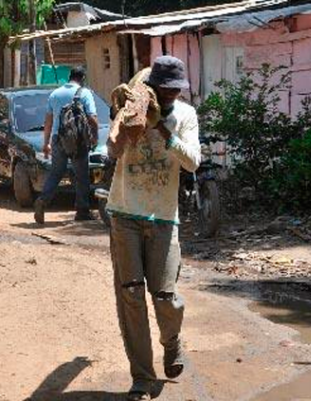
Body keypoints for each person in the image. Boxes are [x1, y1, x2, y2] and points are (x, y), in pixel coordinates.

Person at [105, 56, 202, 401]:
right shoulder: (133, 108)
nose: (172, 95)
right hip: (124, 213)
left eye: (177, 90)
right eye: (166, 90)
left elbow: (193, 162)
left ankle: (171, 342)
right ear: (154, 88)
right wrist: (127, 120)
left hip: (163, 217)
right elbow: (112, 150)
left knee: (165, 296)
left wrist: (164, 130)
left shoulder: (186, 116)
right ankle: (142, 378)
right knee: (130, 295)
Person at [33, 66, 99, 224]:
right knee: (81, 175)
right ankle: (82, 210)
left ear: (69, 77)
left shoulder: (55, 94)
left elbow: (48, 120)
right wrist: (94, 137)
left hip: (58, 139)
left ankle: (42, 200)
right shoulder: (85, 93)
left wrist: (46, 142)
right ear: (82, 78)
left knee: (56, 172)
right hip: (77, 140)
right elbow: (93, 118)